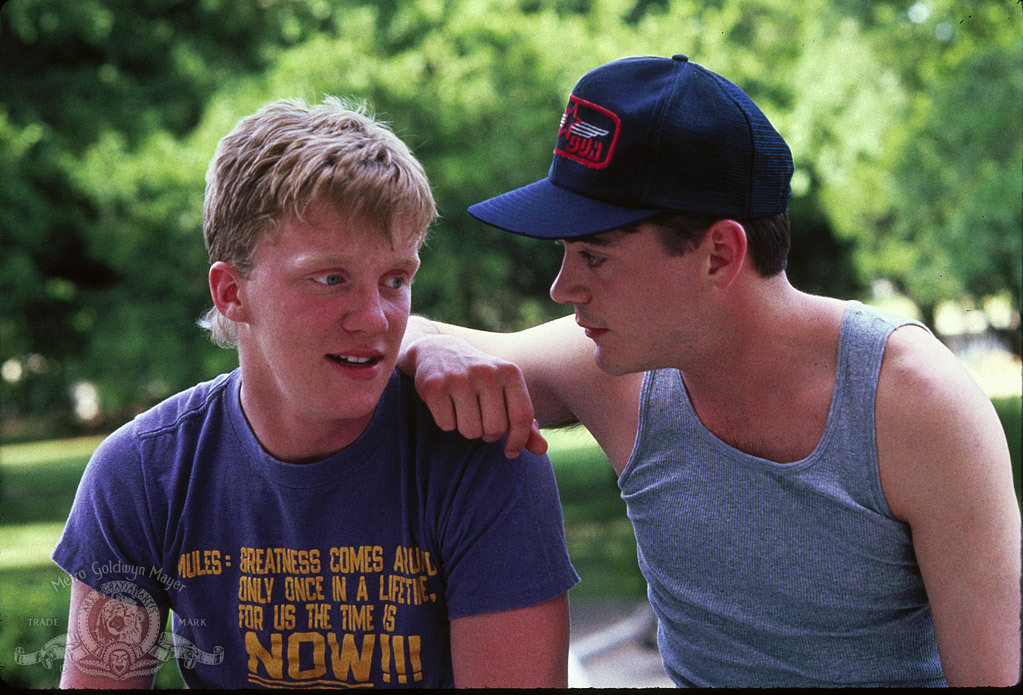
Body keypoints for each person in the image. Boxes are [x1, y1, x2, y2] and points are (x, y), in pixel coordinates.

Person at [399, 55, 1022, 687]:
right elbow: (388, 337)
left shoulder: (912, 402)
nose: (563, 288)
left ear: (718, 254)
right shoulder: (611, 368)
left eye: (594, 256)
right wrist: (433, 349)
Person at [52, 97, 579, 689]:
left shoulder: (480, 454)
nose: (374, 319)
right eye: (331, 279)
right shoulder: (143, 473)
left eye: (396, 279)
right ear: (231, 293)